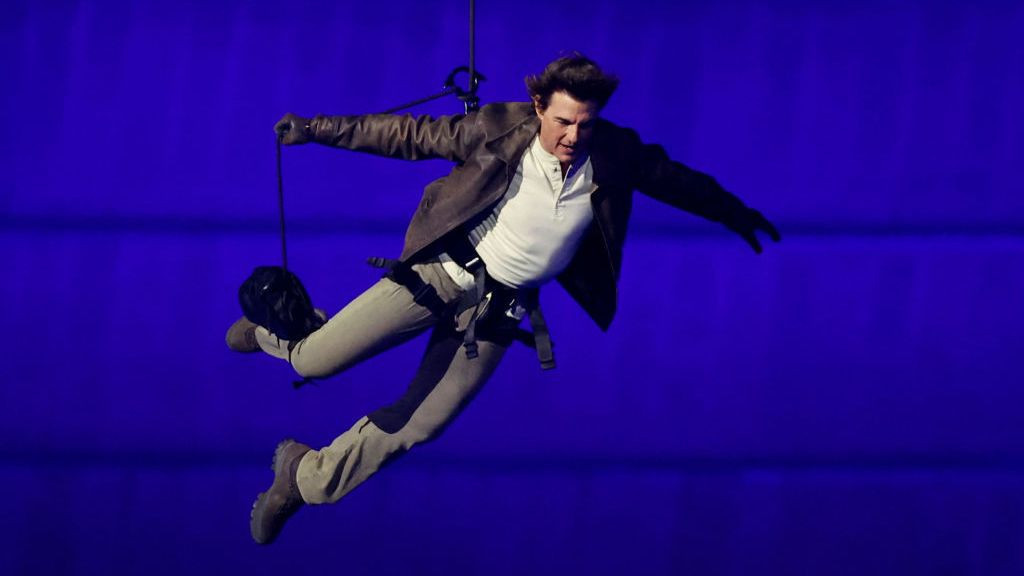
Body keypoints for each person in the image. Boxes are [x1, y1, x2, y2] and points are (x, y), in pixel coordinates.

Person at [226, 54, 780, 545]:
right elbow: (407, 135)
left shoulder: (613, 152)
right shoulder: (497, 128)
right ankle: (268, 334)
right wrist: (316, 129)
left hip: (496, 309)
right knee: (315, 358)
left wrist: (736, 213)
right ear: (539, 106)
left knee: (423, 423)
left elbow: (678, 181)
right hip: (440, 274)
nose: (571, 136)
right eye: (562, 121)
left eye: (584, 125)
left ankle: (304, 477)